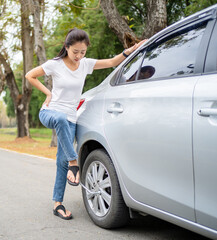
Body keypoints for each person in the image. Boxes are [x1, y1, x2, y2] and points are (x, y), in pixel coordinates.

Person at [25, 28, 146, 220]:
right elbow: (30, 75)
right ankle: (75, 162)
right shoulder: (55, 65)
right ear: (66, 47)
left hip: (70, 120)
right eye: (75, 52)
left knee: (61, 161)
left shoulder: (85, 64)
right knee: (60, 120)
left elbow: (112, 62)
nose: (79, 56)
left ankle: (57, 204)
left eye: (83, 52)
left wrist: (132, 50)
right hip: (50, 113)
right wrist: (48, 93)